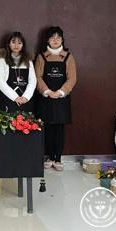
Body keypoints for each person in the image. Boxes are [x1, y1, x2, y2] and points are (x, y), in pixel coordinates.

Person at [35, 26, 76, 171]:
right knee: (46, 129)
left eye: (58, 37)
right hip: (45, 98)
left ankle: (58, 158)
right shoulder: (41, 57)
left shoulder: (68, 57)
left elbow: (72, 79)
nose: (55, 40)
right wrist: (47, 91)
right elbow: (37, 77)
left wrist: (60, 92)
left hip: (61, 99)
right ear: (47, 40)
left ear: (62, 40)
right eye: (52, 37)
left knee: (59, 129)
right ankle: (49, 157)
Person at [0, 32, 37, 113]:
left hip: (25, 101)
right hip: (8, 100)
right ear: (9, 44)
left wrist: (26, 97)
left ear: (23, 45)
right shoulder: (2, 60)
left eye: (19, 43)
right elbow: (0, 81)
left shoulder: (28, 60)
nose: (16, 45)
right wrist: (15, 97)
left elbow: (33, 81)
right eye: (13, 42)